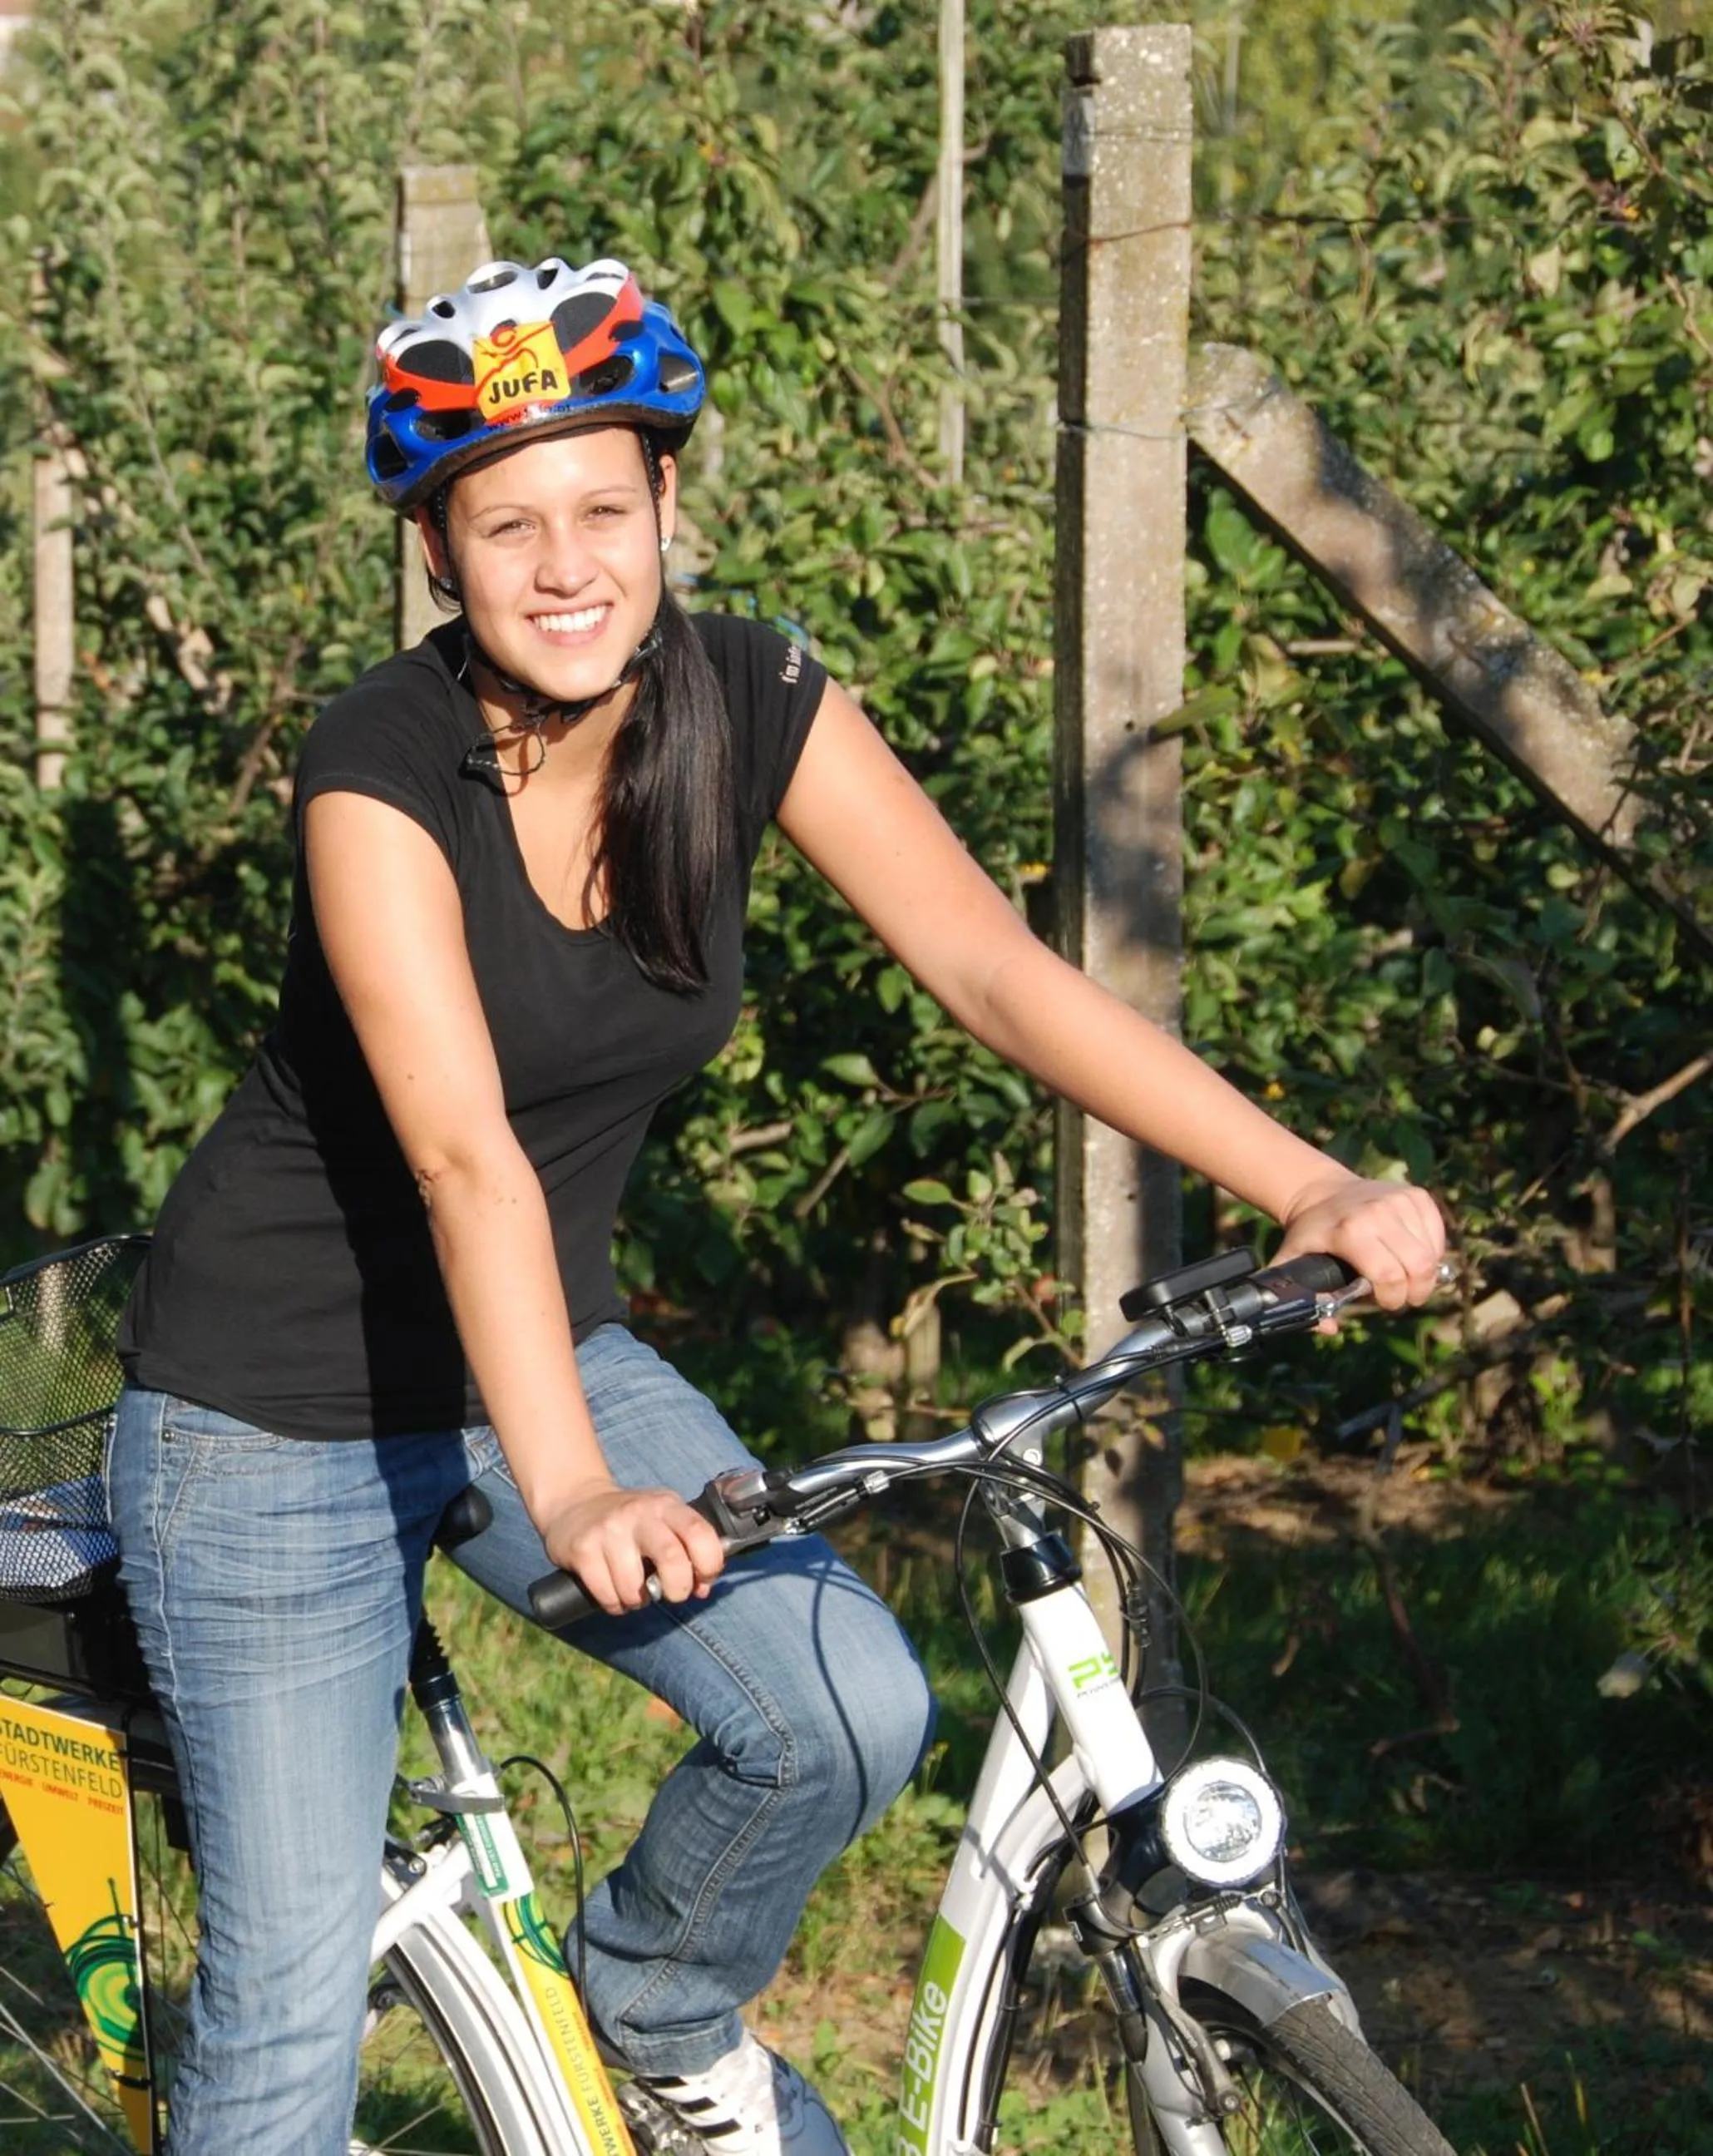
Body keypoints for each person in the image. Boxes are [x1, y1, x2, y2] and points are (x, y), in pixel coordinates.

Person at [110, 254, 1446, 2156]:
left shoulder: (751, 697)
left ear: (668, 504)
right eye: (507, 525)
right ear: (437, 555)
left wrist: (1301, 1177)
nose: (565, 564)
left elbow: (992, 973)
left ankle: (656, 2009)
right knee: (285, 2023)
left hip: (528, 1357)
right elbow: (463, 1153)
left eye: (603, 507)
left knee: (840, 1707)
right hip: (268, 1425)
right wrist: (572, 1486)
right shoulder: (376, 772)